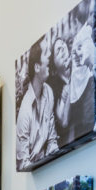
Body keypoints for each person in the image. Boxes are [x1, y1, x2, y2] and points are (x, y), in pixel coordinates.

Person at [16, 39, 58, 170]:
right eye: (46, 53)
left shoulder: (49, 92)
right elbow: (24, 164)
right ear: (37, 67)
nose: (50, 55)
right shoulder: (25, 111)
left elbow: (52, 140)